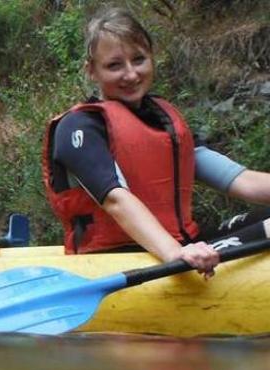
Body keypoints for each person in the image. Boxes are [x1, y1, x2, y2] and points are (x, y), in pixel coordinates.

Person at [43, 8, 270, 277]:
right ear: (91, 71)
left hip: (182, 248)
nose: (131, 74)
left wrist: (183, 251)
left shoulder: (165, 122)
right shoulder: (79, 126)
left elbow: (240, 180)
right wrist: (176, 255)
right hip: (122, 260)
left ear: (152, 59)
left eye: (138, 60)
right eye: (114, 65)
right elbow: (116, 199)